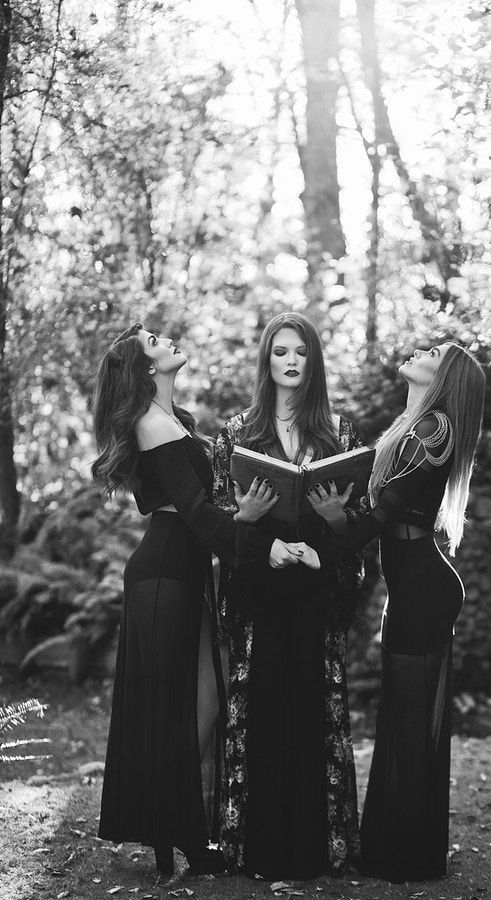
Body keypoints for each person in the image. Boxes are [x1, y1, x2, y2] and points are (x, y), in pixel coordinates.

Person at [92, 323, 302, 881]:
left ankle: (178, 825)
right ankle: (178, 836)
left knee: (209, 694)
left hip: (182, 575)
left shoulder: (175, 420)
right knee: (174, 707)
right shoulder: (149, 424)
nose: (167, 339)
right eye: (154, 340)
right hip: (163, 577)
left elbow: (204, 509)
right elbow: (199, 515)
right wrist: (251, 526)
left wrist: (247, 518)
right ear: (145, 367)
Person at [296, 341, 485, 882]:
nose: (420, 349)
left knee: (409, 721)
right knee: (402, 717)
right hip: (414, 588)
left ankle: (408, 856)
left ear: (444, 374)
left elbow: (384, 513)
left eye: (433, 351)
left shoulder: (435, 430)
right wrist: (334, 521)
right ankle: (396, 847)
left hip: (424, 588)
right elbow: (375, 514)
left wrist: (328, 546)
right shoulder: (413, 427)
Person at [212, 312, 367, 880]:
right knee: (261, 714)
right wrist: (259, 538)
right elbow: (218, 521)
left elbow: (356, 524)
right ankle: (255, 849)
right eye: (280, 351)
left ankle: (314, 850)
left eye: (301, 351)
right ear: (267, 360)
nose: (292, 361)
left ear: (314, 360)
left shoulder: (340, 433)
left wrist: (330, 528)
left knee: (311, 715)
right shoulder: (236, 433)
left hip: (314, 591)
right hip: (261, 592)